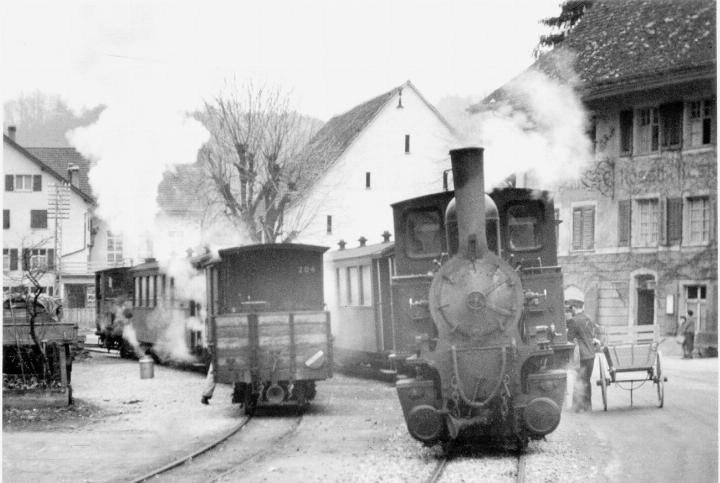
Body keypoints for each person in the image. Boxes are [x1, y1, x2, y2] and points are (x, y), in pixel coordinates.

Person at [566, 302, 600, 412]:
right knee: (587, 380)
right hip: (591, 354)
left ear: (575, 308)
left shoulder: (573, 320)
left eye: (572, 309)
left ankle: (576, 407)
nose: (571, 311)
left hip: (581, 355)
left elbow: (569, 339)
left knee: (579, 380)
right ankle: (587, 406)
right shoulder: (589, 318)